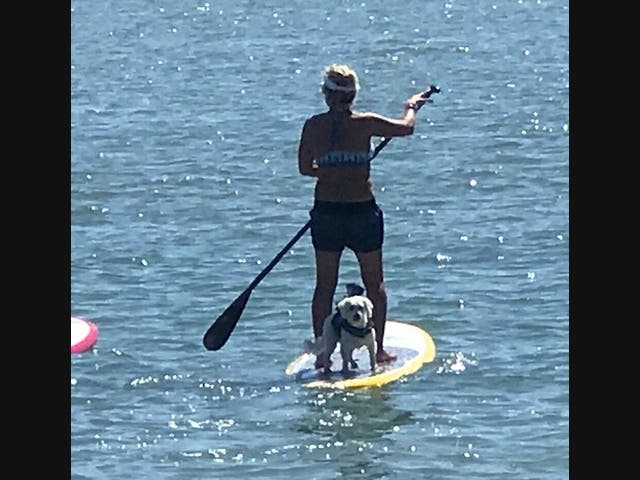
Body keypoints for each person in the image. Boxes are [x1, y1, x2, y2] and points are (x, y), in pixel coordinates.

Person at [297, 63, 430, 369]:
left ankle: (323, 354)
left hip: (327, 213)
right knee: (375, 284)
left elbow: (305, 169)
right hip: (362, 213)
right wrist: (411, 106)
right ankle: (379, 350)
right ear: (353, 96)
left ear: (326, 96)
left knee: (324, 286)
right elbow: (406, 128)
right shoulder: (366, 122)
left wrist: (331, 169)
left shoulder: (312, 126)